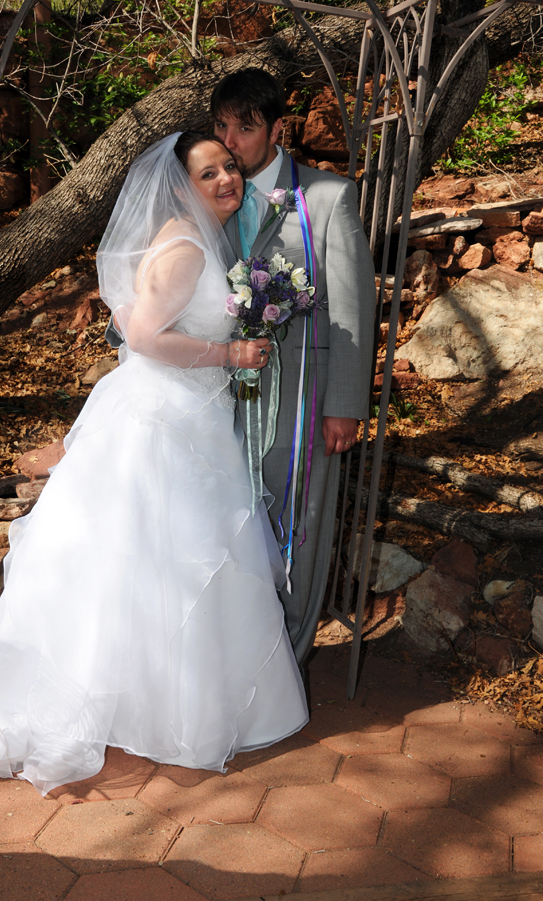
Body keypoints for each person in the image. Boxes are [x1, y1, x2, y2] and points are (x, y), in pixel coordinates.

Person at [0, 132, 308, 797]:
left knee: (144, 563)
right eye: (209, 173)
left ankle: (140, 697)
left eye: (229, 166)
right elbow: (143, 336)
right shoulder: (188, 248)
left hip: (170, 410)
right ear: (181, 185)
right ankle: (164, 708)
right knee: (163, 558)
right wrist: (231, 355)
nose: (227, 178)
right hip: (163, 419)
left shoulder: (185, 237)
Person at [212, 69, 375, 667]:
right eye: (221, 126)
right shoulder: (206, 193)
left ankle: (287, 659)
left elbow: (354, 308)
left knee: (297, 525)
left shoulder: (327, 198)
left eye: (246, 127)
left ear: (278, 129)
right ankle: (231, 658)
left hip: (303, 397)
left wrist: (343, 404)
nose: (231, 141)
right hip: (217, 396)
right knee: (226, 523)